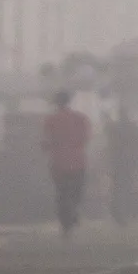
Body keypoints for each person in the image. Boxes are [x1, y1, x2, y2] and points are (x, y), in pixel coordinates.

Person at [44, 89, 93, 237]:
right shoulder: (80, 118)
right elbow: (86, 138)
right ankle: (74, 212)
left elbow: (46, 141)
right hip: (78, 161)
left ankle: (65, 223)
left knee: (61, 193)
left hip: (58, 163)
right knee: (77, 192)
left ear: (56, 103)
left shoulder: (50, 120)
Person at [106, 106, 138, 225]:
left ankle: (117, 213)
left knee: (117, 188)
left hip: (117, 161)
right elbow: (137, 144)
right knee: (127, 187)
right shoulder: (132, 127)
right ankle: (125, 212)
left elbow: (111, 144)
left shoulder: (114, 127)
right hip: (128, 162)